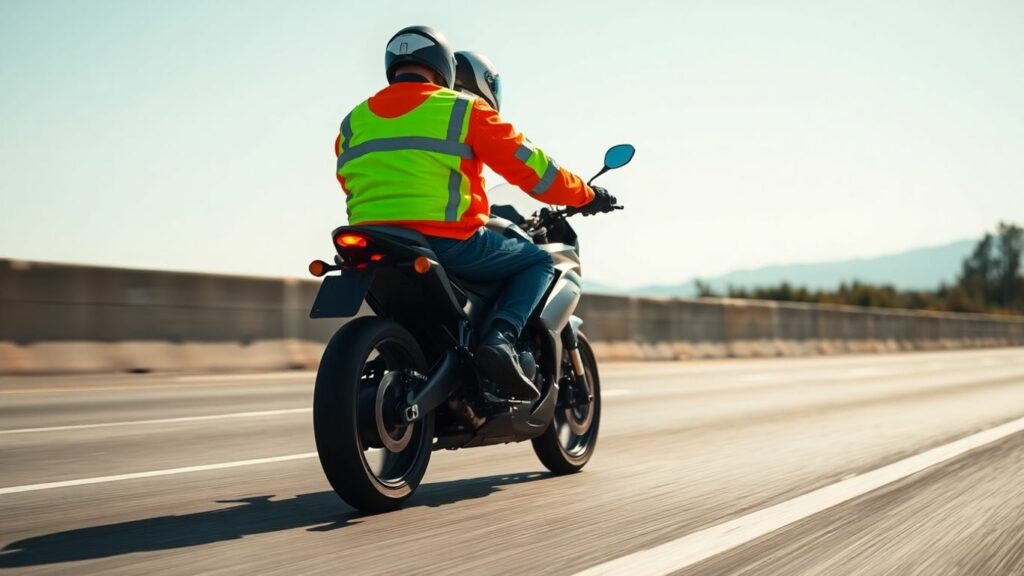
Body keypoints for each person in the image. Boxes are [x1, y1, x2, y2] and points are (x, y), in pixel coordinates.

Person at [334, 26, 616, 401]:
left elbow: (348, 177)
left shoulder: (353, 121)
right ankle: (500, 339)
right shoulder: (462, 110)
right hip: (448, 242)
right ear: (443, 67)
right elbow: (532, 168)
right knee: (536, 263)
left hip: (370, 240)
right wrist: (585, 195)